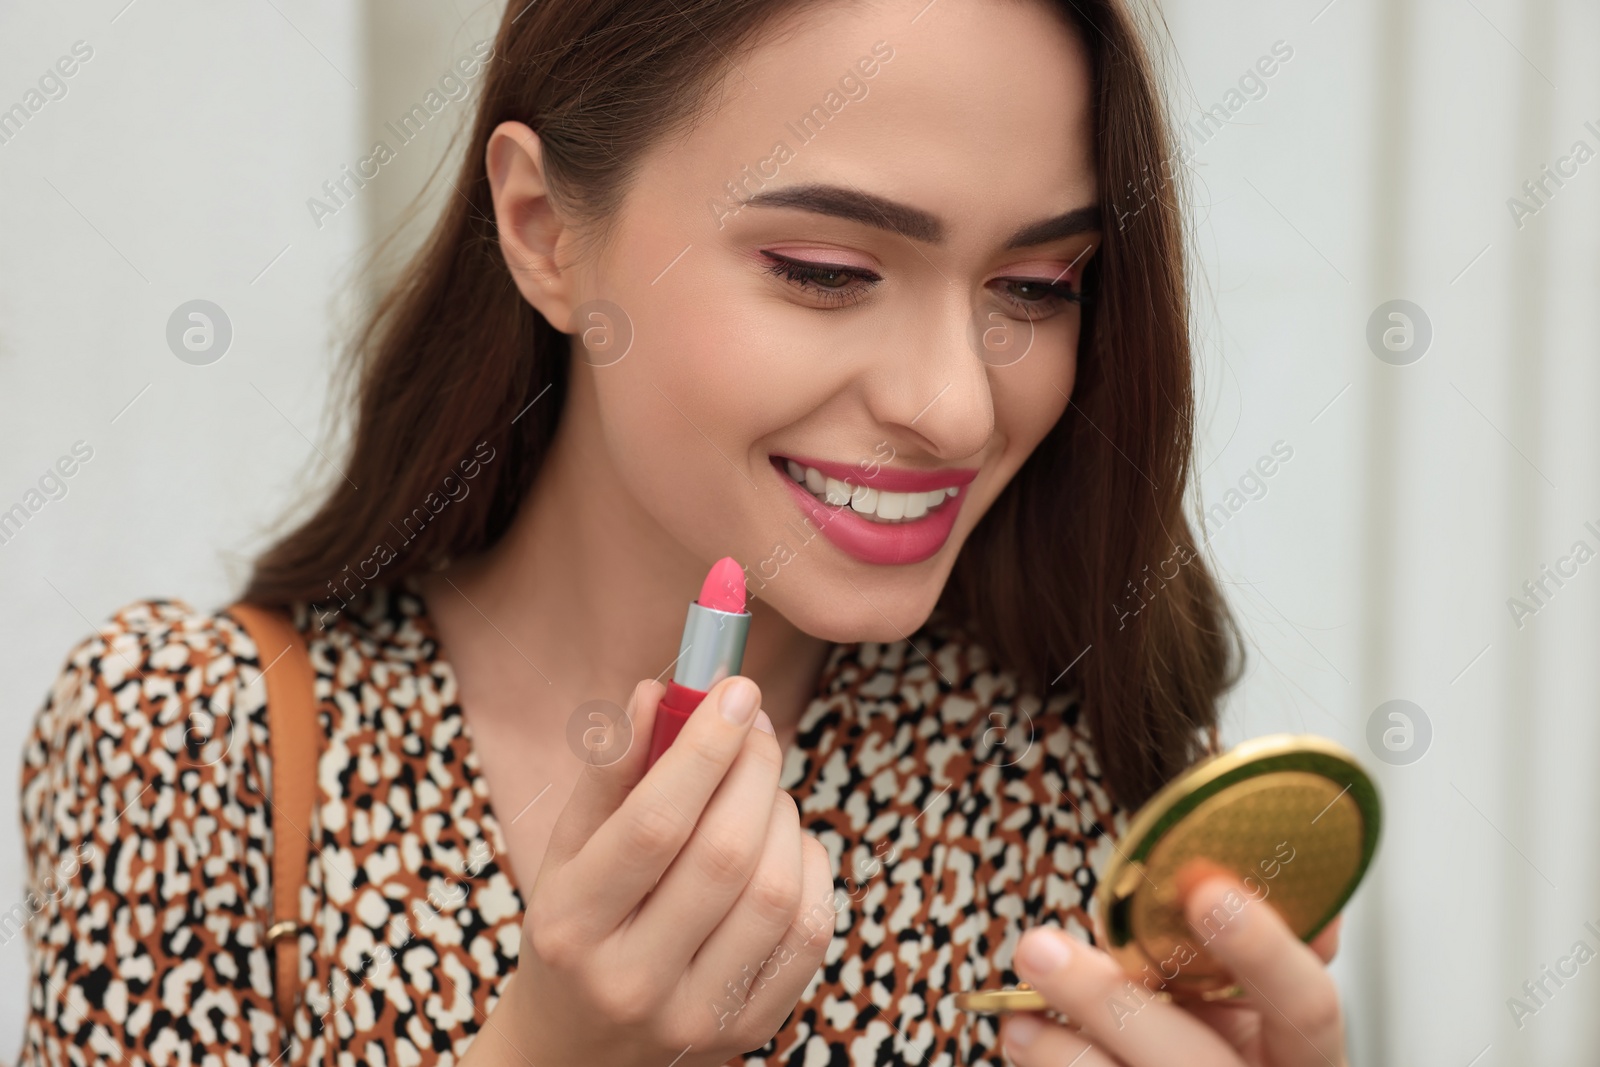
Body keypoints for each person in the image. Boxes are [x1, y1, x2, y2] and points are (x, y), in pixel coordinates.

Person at [15, 0, 1350, 1064]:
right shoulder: (194, 743)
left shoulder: (1070, 795)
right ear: (545, 231)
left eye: (1036, 285)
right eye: (827, 273)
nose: (953, 405)